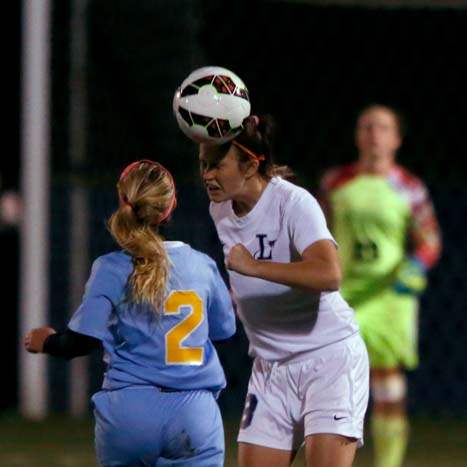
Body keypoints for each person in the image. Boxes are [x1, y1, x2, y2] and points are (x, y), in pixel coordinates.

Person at [24, 159, 236, 467]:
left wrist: (47, 341)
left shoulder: (110, 267)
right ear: (170, 206)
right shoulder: (201, 265)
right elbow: (224, 330)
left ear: (124, 201)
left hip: (128, 413)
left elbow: (81, 342)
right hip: (194, 413)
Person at [198, 115, 370, 467]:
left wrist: (256, 267)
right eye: (203, 164)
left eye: (217, 165)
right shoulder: (219, 208)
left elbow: (330, 273)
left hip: (329, 360)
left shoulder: (294, 203)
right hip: (270, 368)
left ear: (250, 164)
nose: (207, 174)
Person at [319, 104, 442, 467]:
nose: (374, 133)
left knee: (387, 381)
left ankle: (388, 463)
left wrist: (416, 266)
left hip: (389, 295)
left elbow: (430, 239)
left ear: (397, 139)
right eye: (367, 126)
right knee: (333, 380)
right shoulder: (335, 182)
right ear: (358, 135)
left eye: (383, 127)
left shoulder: (410, 188)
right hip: (342, 293)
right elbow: (317, 233)